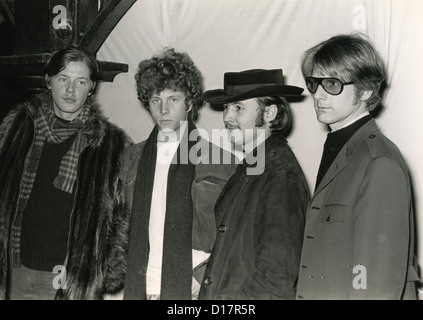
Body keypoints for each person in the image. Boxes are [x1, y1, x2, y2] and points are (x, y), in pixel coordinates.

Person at [0, 47, 131, 300]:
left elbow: (120, 217)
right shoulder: (16, 128)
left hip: (67, 277)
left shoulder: (110, 145)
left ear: (91, 87)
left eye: (80, 81)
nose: (71, 90)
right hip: (13, 269)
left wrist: (105, 269)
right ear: (48, 81)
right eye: (63, 79)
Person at [296, 33, 419, 300]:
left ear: (364, 91)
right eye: (314, 83)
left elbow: (374, 282)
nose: (318, 94)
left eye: (332, 84)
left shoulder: (378, 162)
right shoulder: (340, 146)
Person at [109, 48, 237, 300]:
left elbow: (233, 232)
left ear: (189, 102)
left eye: (173, 99)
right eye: (156, 99)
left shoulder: (221, 161)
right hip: (140, 284)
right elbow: (116, 225)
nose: (163, 109)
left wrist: (204, 276)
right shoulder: (130, 159)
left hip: (192, 288)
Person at [198, 68, 310, 300]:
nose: (227, 117)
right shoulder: (253, 164)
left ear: (269, 113)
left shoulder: (280, 175)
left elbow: (275, 280)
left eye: (239, 108)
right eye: (227, 107)